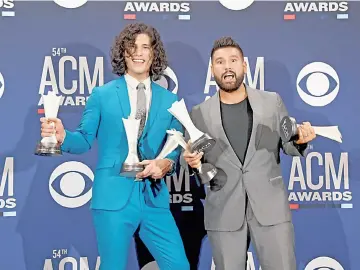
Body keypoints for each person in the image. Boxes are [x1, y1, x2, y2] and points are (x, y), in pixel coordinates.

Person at [40, 22, 189, 270]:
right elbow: (84, 139)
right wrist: (63, 135)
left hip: (153, 200)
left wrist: (164, 164)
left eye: (145, 47)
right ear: (123, 53)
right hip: (112, 198)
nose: (139, 53)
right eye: (132, 47)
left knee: (179, 266)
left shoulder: (171, 101)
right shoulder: (102, 95)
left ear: (154, 53)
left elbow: (173, 148)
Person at [182, 37, 316, 270]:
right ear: (212, 70)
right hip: (223, 213)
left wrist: (300, 140)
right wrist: (192, 163)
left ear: (244, 66)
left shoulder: (271, 102)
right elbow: (192, 165)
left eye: (233, 60)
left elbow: (288, 145)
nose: (227, 67)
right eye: (220, 62)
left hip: (271, 211)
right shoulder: (198, 114)